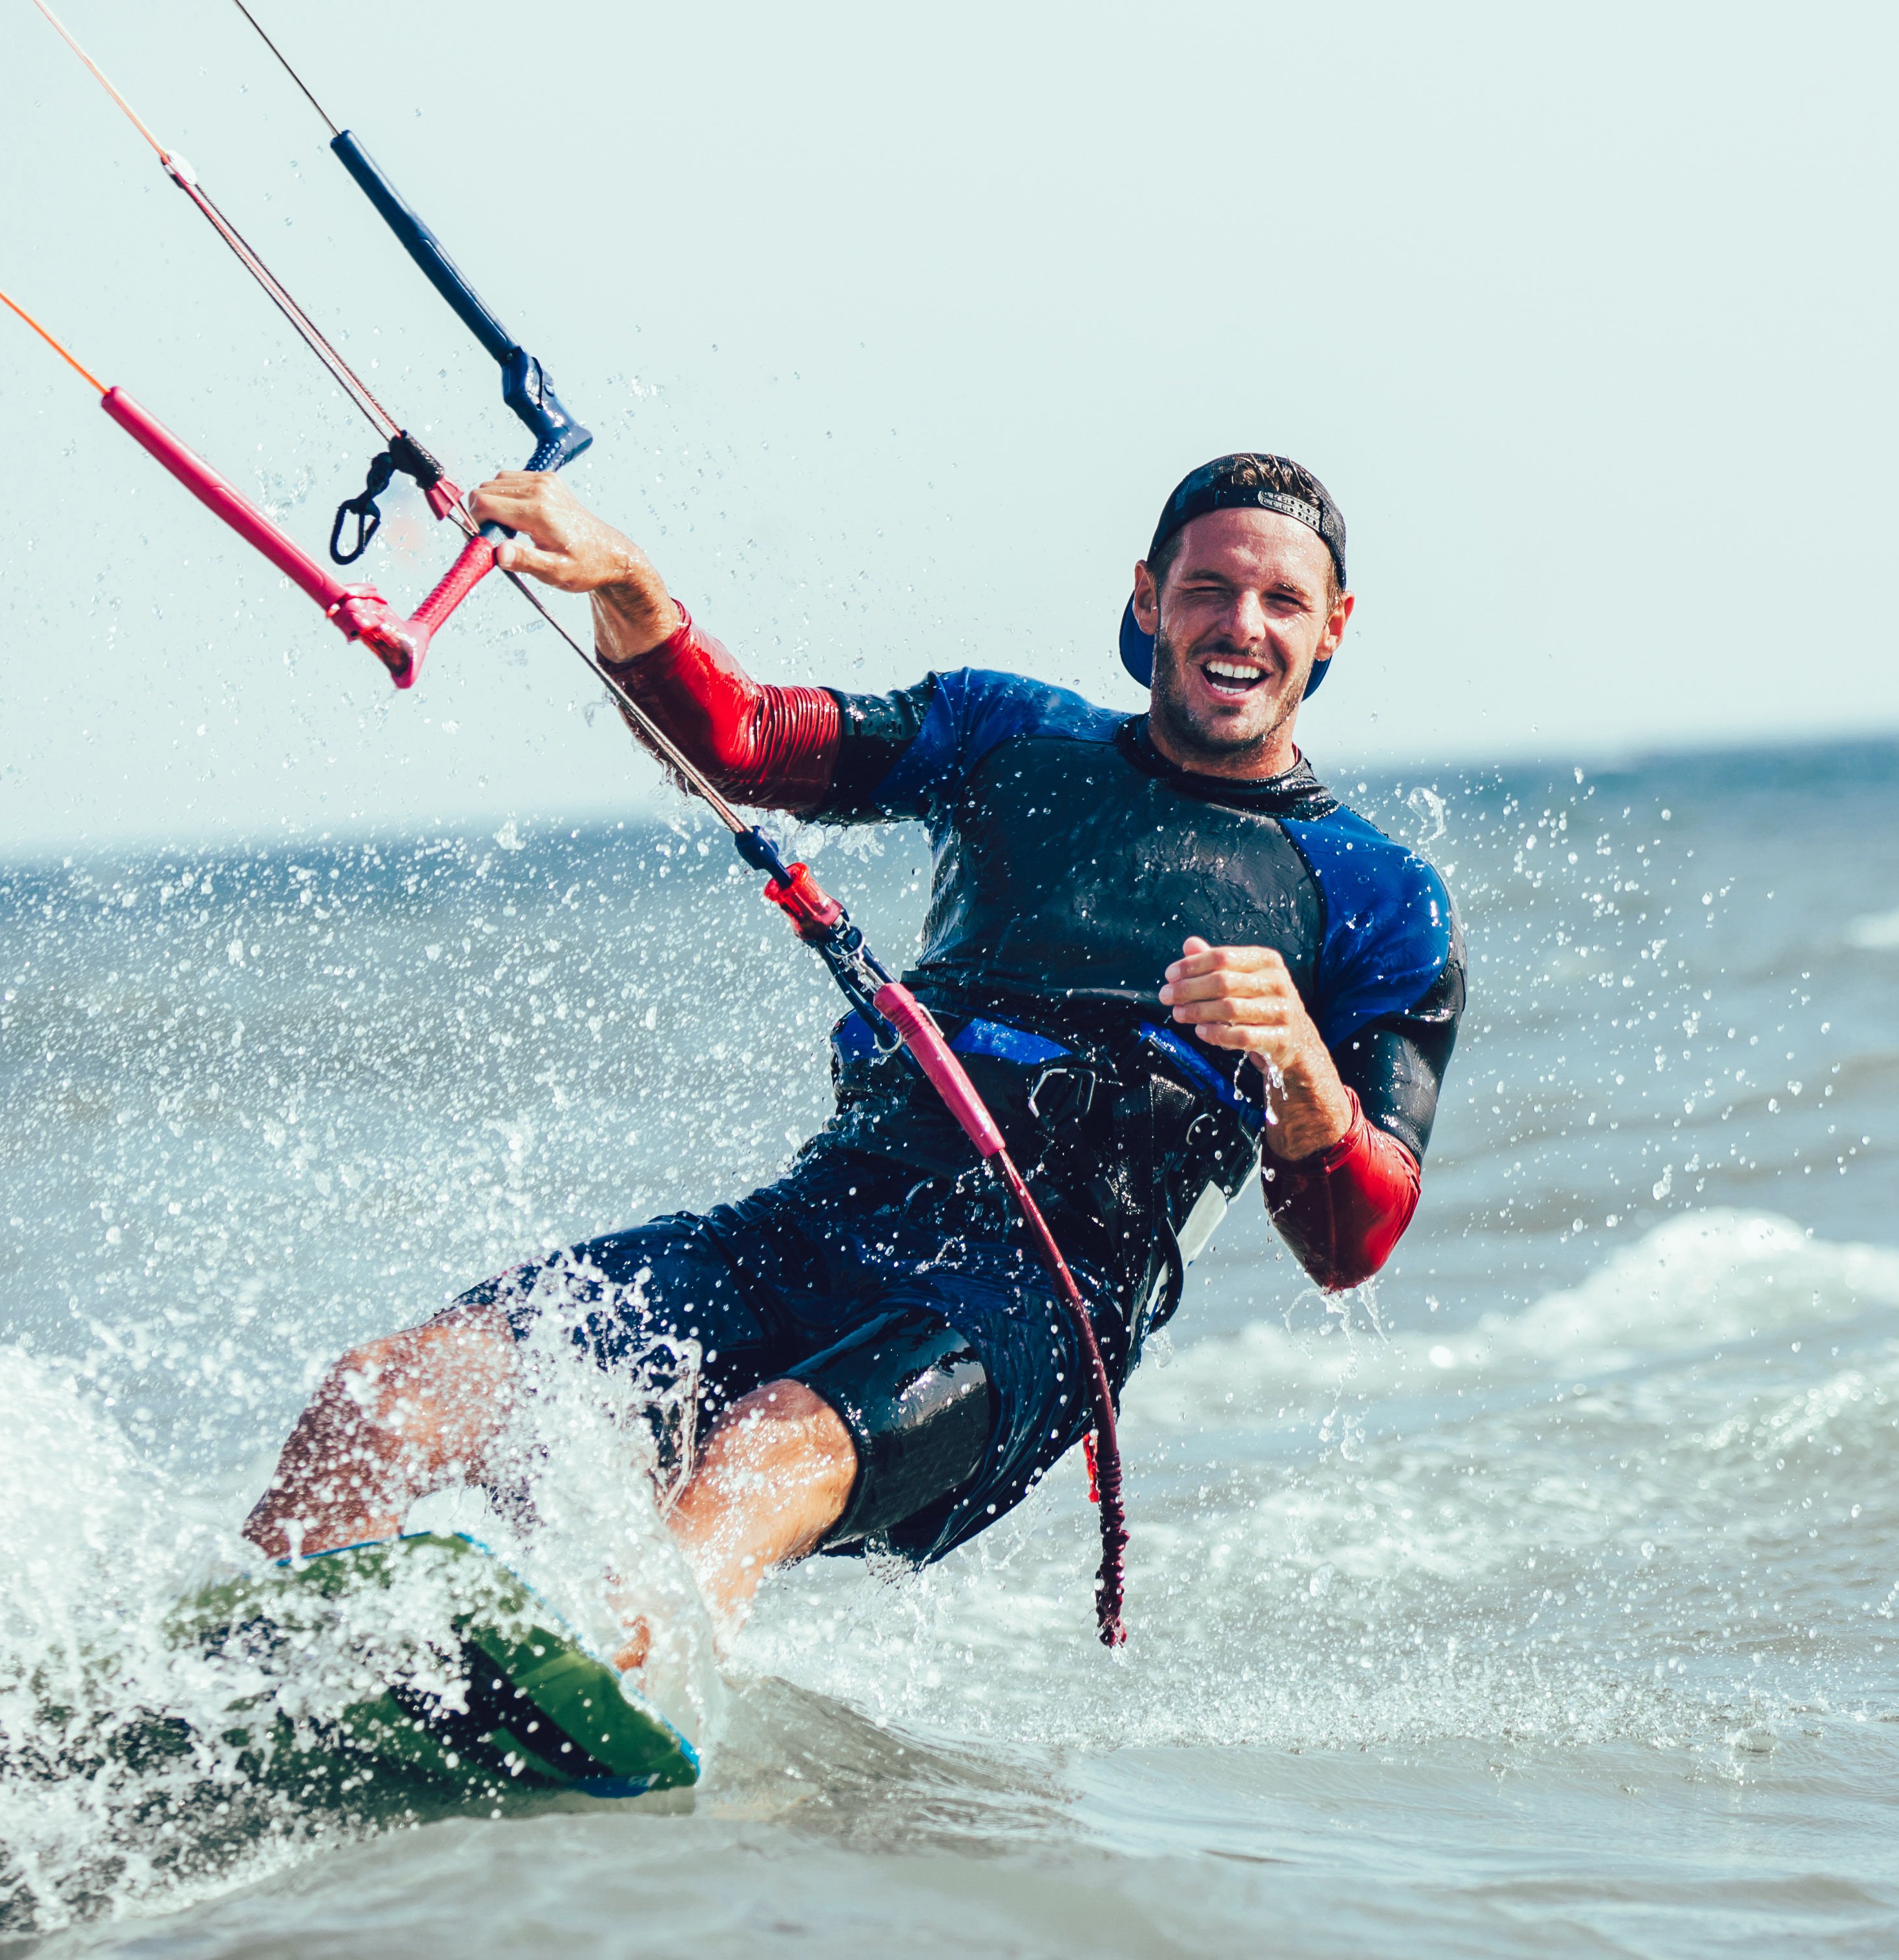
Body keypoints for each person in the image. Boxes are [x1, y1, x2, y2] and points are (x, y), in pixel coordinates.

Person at [240, 454, 1465, 1644]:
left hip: (1034, 1308)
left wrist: (1303, 1075)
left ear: (1334, 626)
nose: (1239, 625)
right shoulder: (1007, 739)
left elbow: (1350, 1246)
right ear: (1148, 597)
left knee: (749, 1468)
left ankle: (614, 1724)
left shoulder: (1378, 898)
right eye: (1207, 589)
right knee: (385, 1398)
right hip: (815, 1222)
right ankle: (219, 1682)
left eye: (1281, 600)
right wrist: (627, 586)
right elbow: (744, 744)